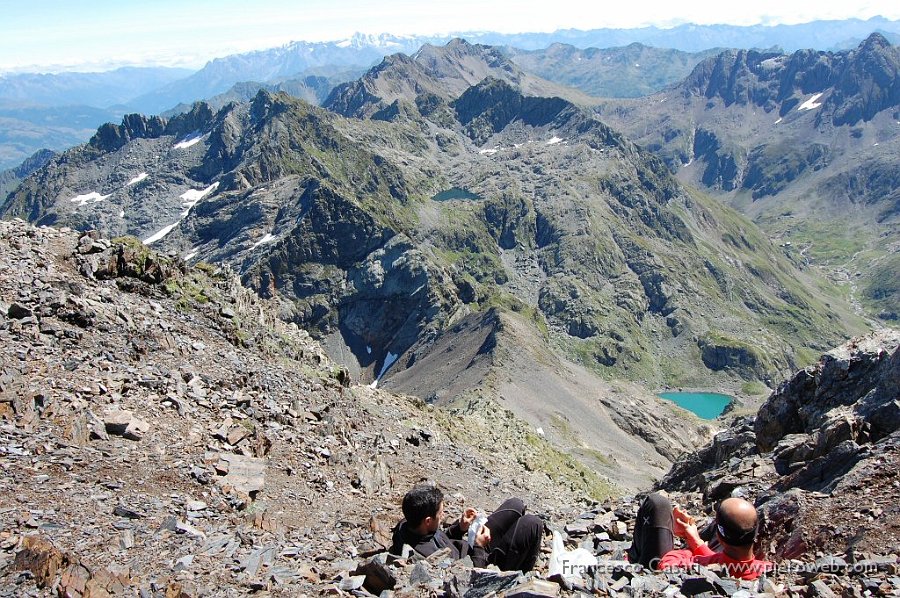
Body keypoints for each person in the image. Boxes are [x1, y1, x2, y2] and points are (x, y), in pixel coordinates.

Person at [389, 484, 543, 572]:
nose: (443, 516)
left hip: (470, 548)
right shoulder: (426, 557)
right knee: (533, 523)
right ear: (428, 521)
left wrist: (460, 527)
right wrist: (478, 546)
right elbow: (470, 577)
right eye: (440, 513)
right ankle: (522, 576)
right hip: (482, 563)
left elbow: (439, 538)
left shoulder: (410, 524)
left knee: (516, 504)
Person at [627, 492, 773, 580]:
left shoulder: (695, 566)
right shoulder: (768, 571)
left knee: (657, 503)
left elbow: (665, 563)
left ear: (719, 536)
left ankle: (634, 561)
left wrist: (688, 550)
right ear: (756, 533)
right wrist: (697, 542)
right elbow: (732, 565)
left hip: (653, 573)